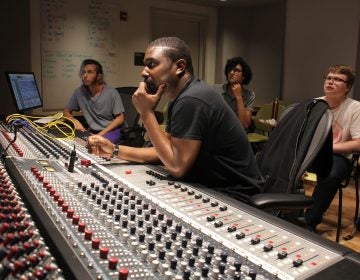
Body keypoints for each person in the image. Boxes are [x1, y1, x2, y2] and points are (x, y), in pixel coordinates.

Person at [87, 37, 264, 202]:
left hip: (236, 196)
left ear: (179, 66)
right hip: (213, 186)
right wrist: (114, 150)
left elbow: (177, 167)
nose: (143, 72)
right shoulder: (181, 99)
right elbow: (166, 152)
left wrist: (146, 113)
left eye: (151, 64)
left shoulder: (192, 99)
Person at [305, 64, 360, 232]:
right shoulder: (315, 104)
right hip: (312, 153)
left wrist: (328, 149)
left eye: (337, 79)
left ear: (347, 87)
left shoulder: (355, 107)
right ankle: (285, 210)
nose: (330, 82)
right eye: (329, 78)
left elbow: (358, 143)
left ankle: (309, 221)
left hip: (339, 156)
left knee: (330, 174)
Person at [63, 59, 125, 144]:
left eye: (90, 72)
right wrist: (74, 121)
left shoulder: (111, 92)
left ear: (99, 76)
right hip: (93, 131)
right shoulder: (79, 92)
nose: (85, 75)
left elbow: (120, 118)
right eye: (84, 72)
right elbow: (66, 111)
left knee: (97, 145)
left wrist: (100, 134)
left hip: (111, 130)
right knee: (74, 142)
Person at [221, 56, 255, 131]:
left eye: (236, 70)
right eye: (230, 70)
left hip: (238, 134)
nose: (231, 72)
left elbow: (244, 124)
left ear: (243, 76)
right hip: (220, 132)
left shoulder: (249, 95)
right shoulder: (217, 90)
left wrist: (239, 97)